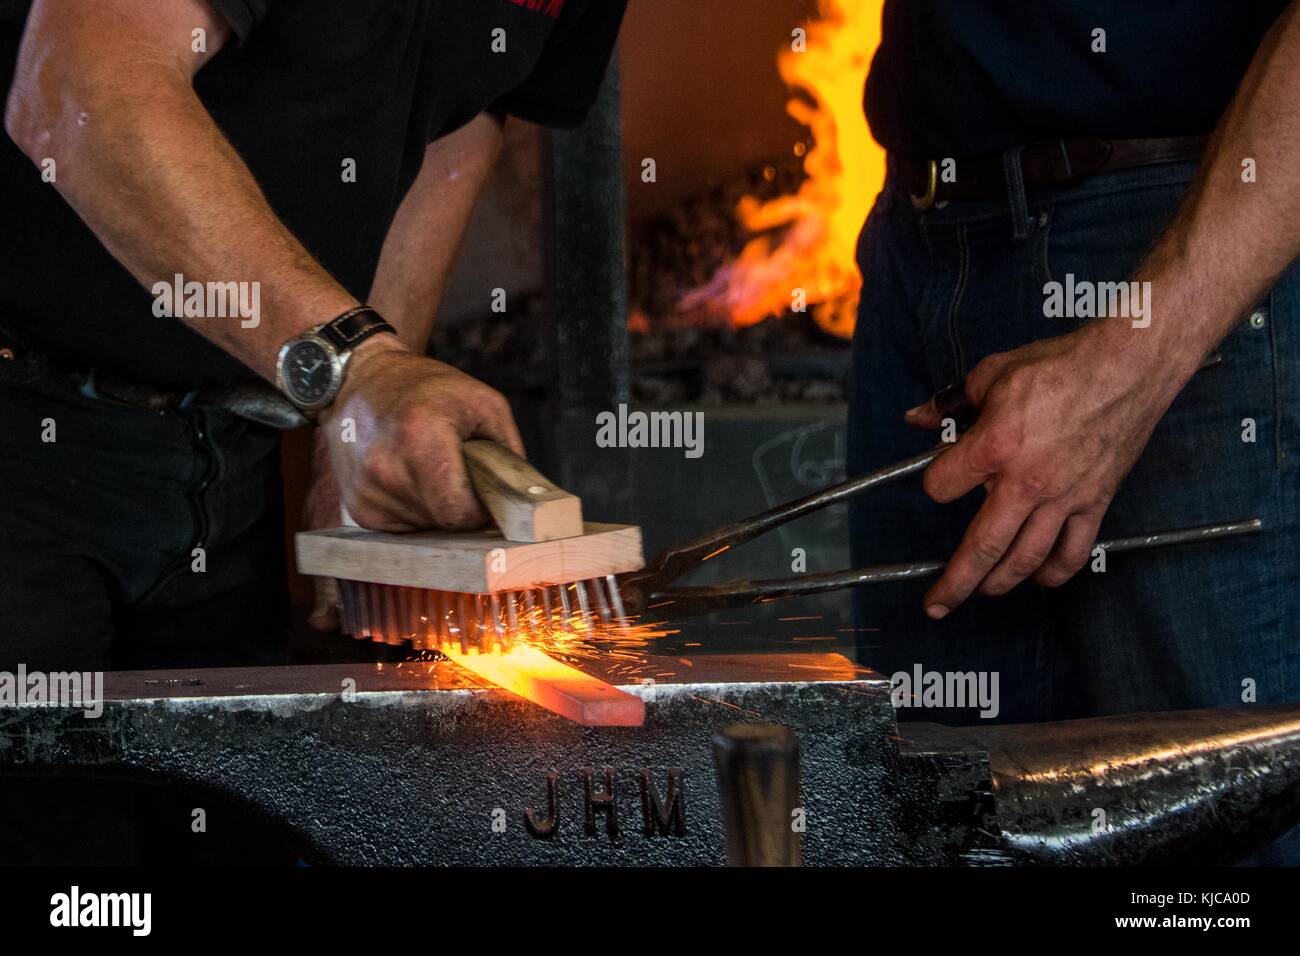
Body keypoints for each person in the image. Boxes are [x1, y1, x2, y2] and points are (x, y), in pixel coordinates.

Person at [0, 0, 627, 671]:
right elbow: (77, 89)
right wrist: (352, 364)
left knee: (215, 773)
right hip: (22, 433)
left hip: (232, 451)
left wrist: (356, 424)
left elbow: (459, 116)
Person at [850, 1, 1299, 861]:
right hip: (921, 235)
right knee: (938, 827)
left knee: (1211, 867)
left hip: (1178, 238)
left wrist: (1129, 365)